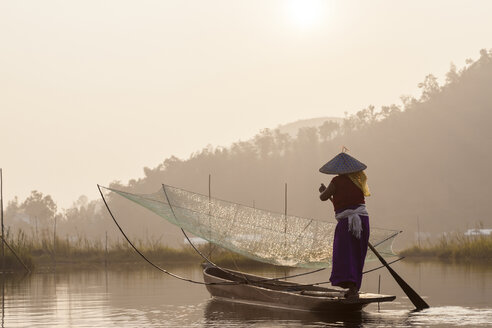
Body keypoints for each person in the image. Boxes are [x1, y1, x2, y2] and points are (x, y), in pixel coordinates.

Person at [318, 151, 371, 298]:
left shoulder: (336, 181)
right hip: (362, 221)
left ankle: (352, 288)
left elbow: (323, 197)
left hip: (347, 223)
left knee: (344, 254)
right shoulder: (358, 180)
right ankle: (354, 288)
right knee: (356, 253)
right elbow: (347, 201)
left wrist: (323, 191)